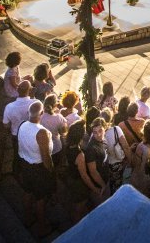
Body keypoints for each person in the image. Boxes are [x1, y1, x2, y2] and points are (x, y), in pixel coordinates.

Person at [17, 100, 55, 237]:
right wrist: (51, 170)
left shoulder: (22, 125)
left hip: (25, 165)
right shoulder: (42, 133)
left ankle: (28, 218)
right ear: (42, 113)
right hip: (38, 169)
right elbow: (46, 157)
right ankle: (42, 227)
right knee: (40, 199)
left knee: (27, 192)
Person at [63, 120, 99, 222]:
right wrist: (95, 189)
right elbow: (84, 176)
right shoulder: (79, 155)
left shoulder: (67, 145)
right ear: (80, 137)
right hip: (78, 184)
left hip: (70, 177)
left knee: (75, 202)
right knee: (79, 206)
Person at [40, 94, 67, 167]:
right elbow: (63, 132)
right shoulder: (59, 117)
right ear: (55, 105)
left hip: (42, 147)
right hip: (56, 147)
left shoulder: (39, 117)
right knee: (56, 166)